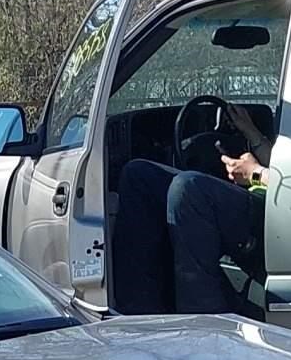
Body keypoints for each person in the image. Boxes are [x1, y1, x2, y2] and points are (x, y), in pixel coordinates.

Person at [107, 119, 270, 317]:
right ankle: (140, 317)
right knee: (139, 175)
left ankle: (204, 321)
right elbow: (280, 165)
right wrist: (249, 129)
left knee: (189, 189)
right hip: (262, 194)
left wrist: (254, 173)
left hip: (277, 212)